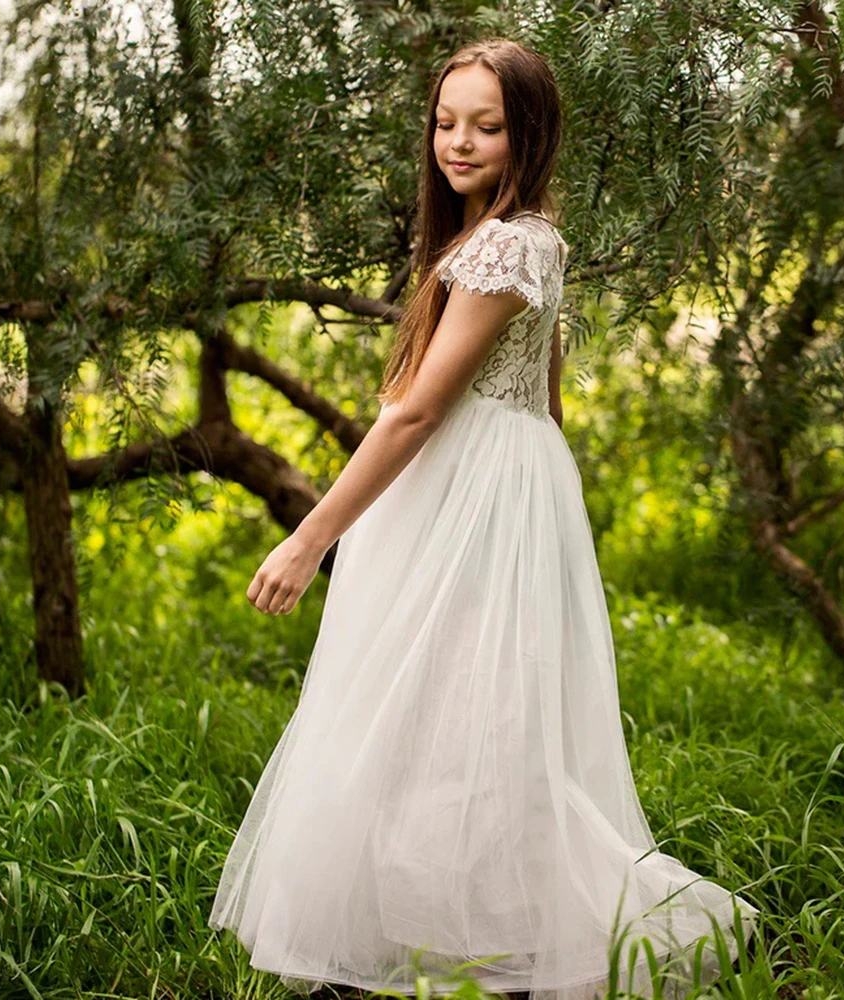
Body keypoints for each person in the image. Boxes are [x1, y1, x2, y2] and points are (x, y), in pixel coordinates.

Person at [208, 38, 760, 1000]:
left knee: (463, 715)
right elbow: (537, 396)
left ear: (529, 134)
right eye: (445, 120)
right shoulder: (501, 237)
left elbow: (421, 408)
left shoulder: (509, 243)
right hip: (484, 481)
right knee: (444, 715)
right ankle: (432, 932)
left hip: (471, 484)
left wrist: (311, 535)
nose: (457, 142)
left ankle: (520, 942)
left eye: (487, 126)